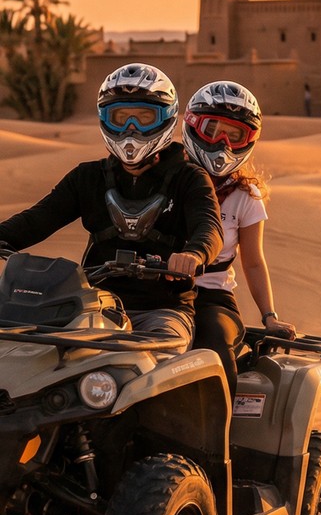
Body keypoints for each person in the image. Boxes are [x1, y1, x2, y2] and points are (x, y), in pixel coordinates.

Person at [0, 63, 222, 348]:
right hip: (91, 306)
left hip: (161, 311)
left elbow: (209, 227)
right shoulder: (88, 177)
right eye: (120, 117)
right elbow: (37, 220)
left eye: (144, 117)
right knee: (29, 352)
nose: (132, 128)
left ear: (165, 119)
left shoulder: (189, 177)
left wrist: (194, 254)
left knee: (164, 356)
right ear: (105, 119)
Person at [182, 80, 296, 394]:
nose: (222, 143)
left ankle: (218, 438)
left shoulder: (245, 196)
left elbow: (254, 262)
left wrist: (269, 317)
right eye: (213, 130)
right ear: (193, 126)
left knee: (216, 350)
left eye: (234, 136)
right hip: (155, 289)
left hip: (211, 296)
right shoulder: (167, 177)